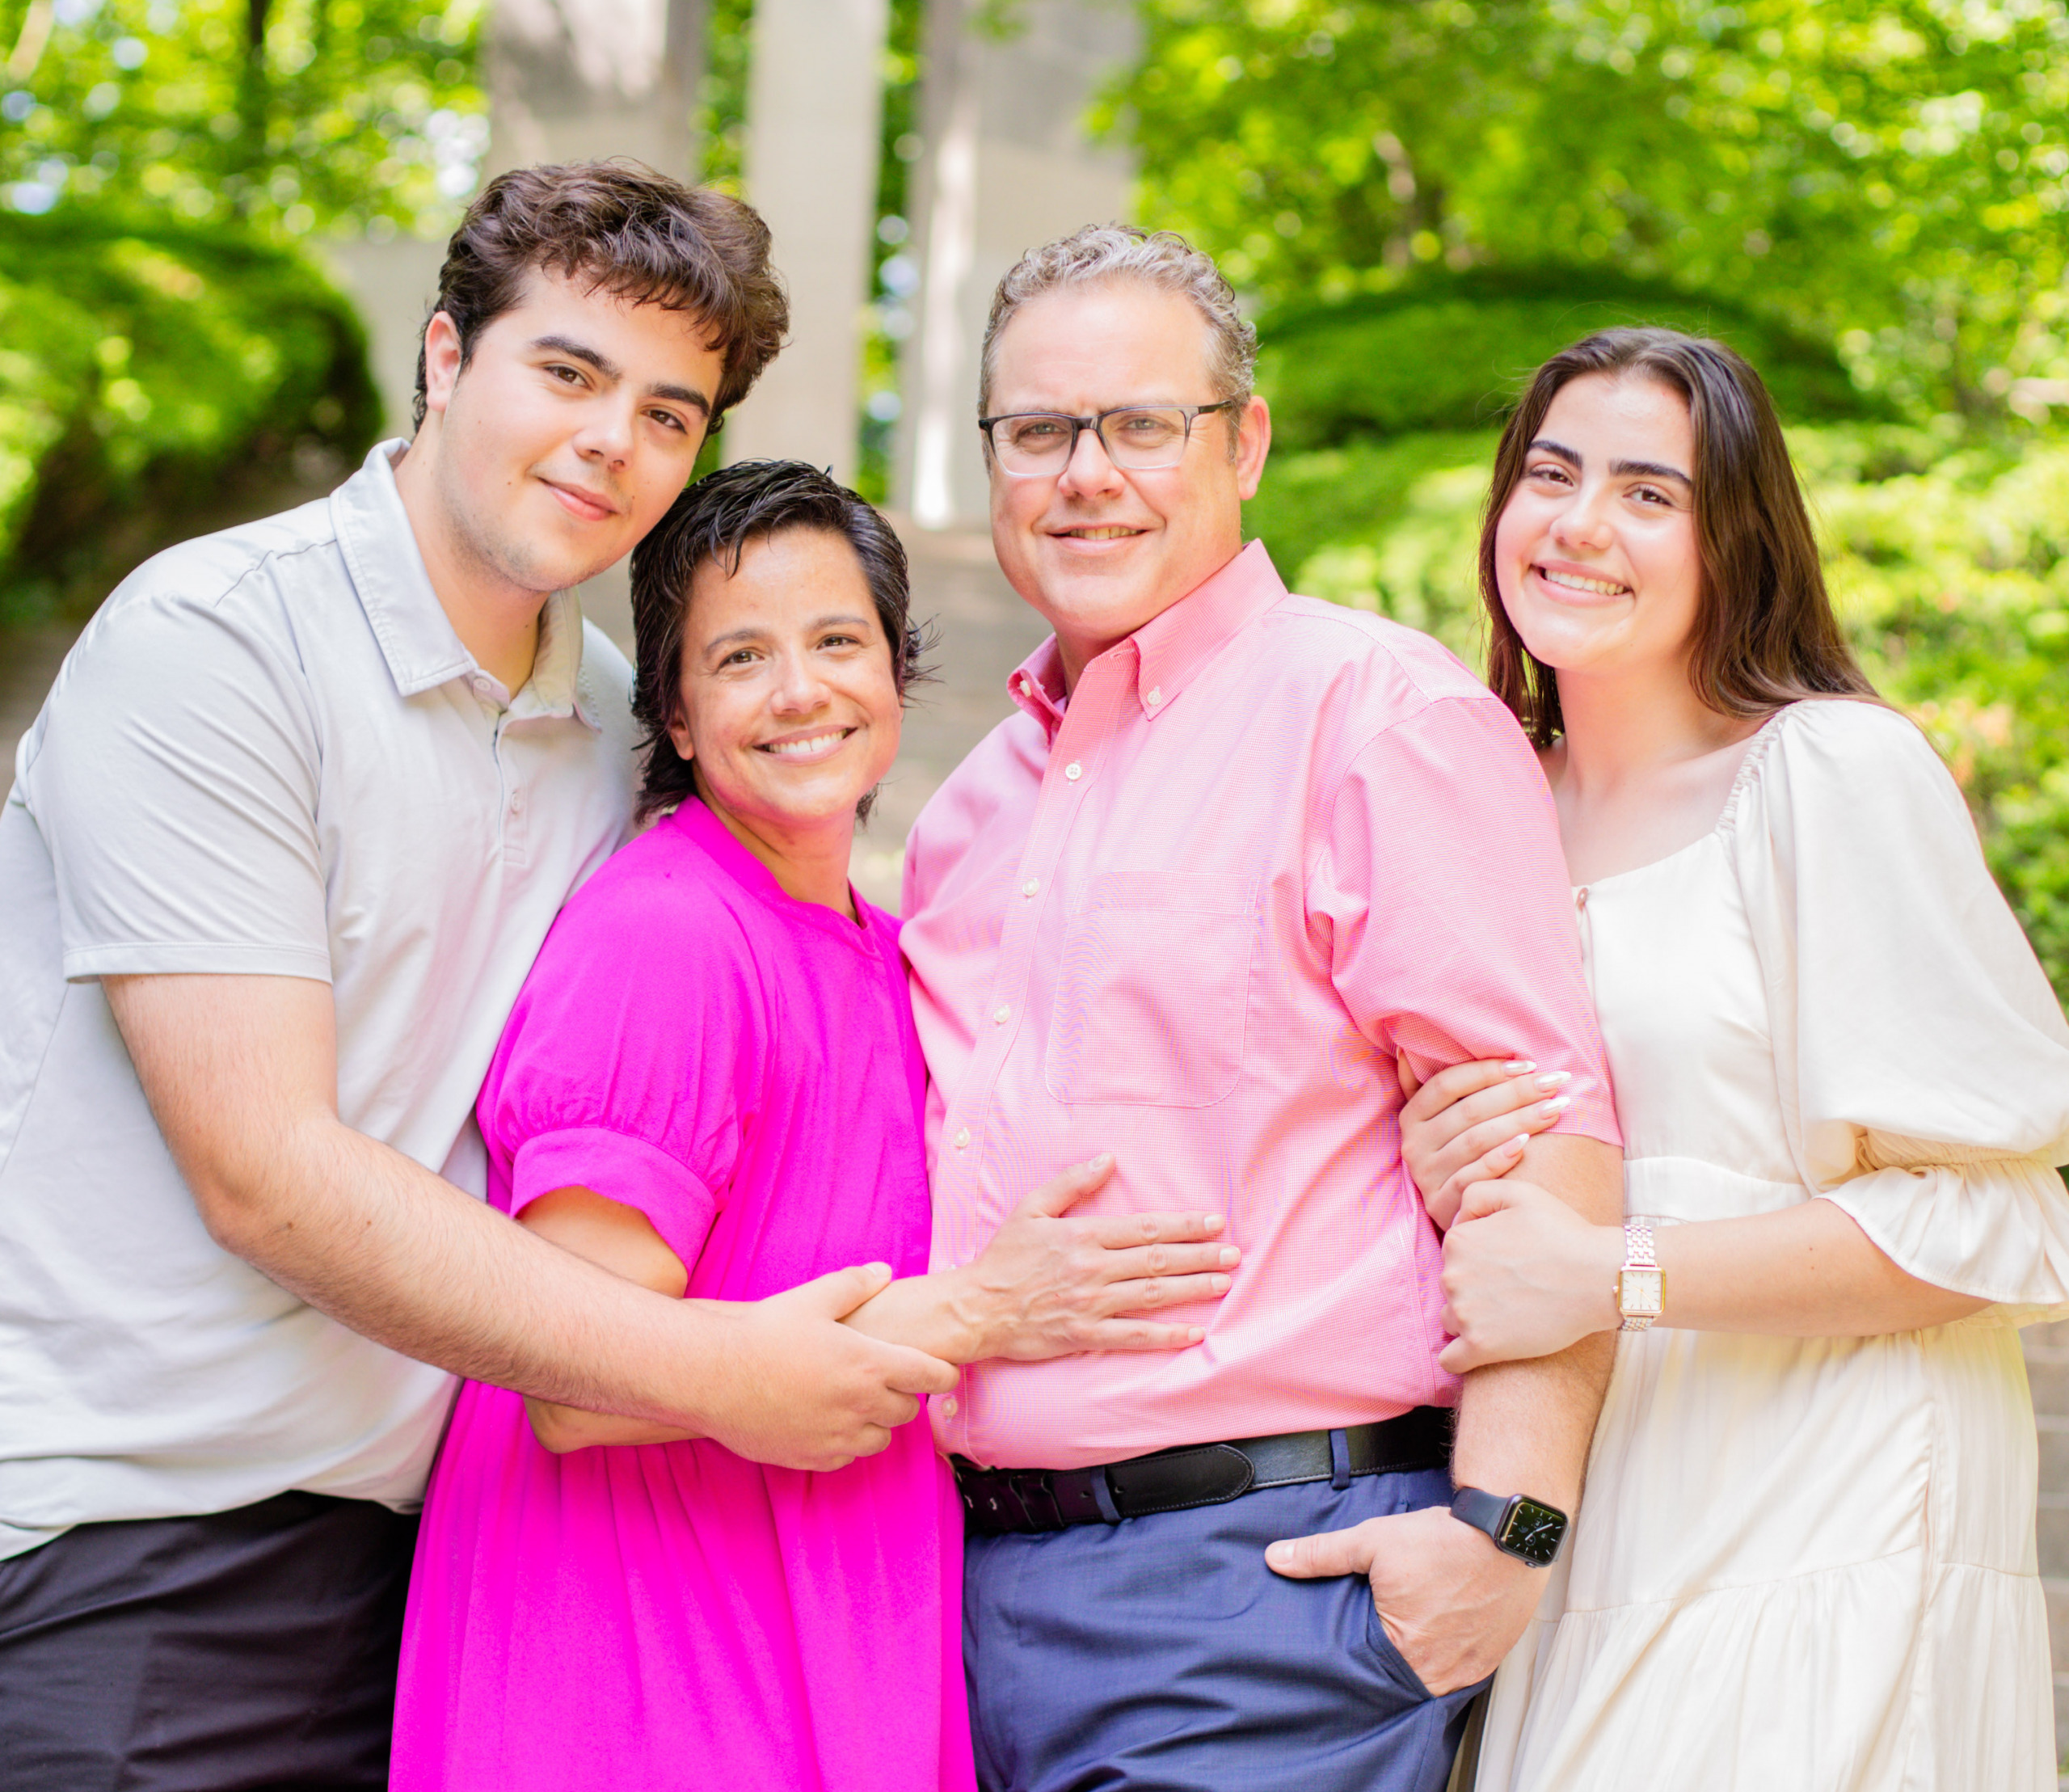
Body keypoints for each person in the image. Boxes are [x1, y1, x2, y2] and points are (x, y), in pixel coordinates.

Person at [0, 161, 947, 1790]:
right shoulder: (215, 645)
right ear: (445, 356)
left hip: (429, 1559)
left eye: (668, 411)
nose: (609, 442)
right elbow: (268, 1174)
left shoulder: (612, 724)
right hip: (138, 1545)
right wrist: (729, 1376)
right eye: (566, 373)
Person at [896, 222, 1626, 1792]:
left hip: (1262, 1590)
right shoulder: (964, 812)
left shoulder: (1378, 715)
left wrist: (1504, 1531)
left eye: (1140, 423)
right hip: (953, 1600)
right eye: (1037, 430)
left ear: (1244, 443)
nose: (1086, 472)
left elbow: (1540, 1142)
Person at [390, 459, 1239, 1791]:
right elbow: (572, 1379)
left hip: (820, 1623)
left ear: (896, 676)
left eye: (838, 641)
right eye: (740, 657)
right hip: (638, 1664)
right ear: (672, 712)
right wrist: (973, 1313)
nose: (800, 690)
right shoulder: (667, 934)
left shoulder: (881, 953)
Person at [1397, 327, 2069, 1790]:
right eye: (1552, 474)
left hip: (1829, 1514)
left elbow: (2013, 1216)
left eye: (1651, 493)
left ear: (1737, 540)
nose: (1579, 523)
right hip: (1581, 1515)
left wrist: (1612, 1270)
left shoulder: (1826, 775)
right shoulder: (1477, 798)